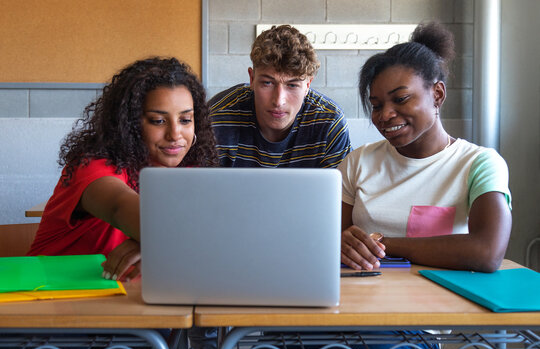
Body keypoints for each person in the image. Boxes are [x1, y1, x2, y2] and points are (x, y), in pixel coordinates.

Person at [339, 21, 512, 275]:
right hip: (364, 301)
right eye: (376, 105)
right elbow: (331, 239)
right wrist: (342, 243)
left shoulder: (480, 164)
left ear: (438, 95)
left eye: (401, 99)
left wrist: (381, 243)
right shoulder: (358, 162)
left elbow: (487, 252)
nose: (385, 115)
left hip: (445, 305)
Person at [27, 56, 218, 282]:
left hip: (125, 300)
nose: (175, 134)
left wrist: (150, 243)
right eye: (158, 121)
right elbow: (120, 207)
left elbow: (189, 235)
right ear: (129, 124)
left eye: (185, 119)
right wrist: (159, 240)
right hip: (50, 299)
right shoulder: (91, 165)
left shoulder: (188, 172)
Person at [209, 24, 351, 168]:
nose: (278, 101)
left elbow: (341, 190)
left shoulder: (329, 123)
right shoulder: (216, 117)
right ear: (252, 79)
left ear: (308, 85)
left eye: (292, 85)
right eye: (268, 83)